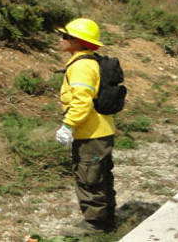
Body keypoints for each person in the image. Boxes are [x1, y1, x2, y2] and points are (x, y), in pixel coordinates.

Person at [55, 18, 116, 235]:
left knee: (89, 178)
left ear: (79, 42)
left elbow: (82, 101)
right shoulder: (90, 62)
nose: (60, 39)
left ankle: (95, 225)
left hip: (91, 133)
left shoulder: (81, 66)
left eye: (65, 36)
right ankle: (107, 220)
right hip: (101, 130)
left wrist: (68, 126)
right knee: (101, 176)